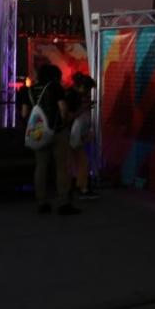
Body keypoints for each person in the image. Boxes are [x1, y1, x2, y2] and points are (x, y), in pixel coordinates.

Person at [20, 64, 81, 215]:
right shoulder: (54, 87)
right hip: (56, 131)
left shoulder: (30, 90)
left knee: (41, 166)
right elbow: (63, 109)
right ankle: (63, 202)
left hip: (39, 134)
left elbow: (24, 113)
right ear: (55, 75)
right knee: (62, 167)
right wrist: (64, 122)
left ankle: (42, 202)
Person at [65, 72, 98, 201]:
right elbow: (69, 116)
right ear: (82, 87)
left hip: (70, 134)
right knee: (82, 162)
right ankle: (82, 188)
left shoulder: (70, 94)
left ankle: (75, 187)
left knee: (74, 163)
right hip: (71, 135)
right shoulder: (72, 97)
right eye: (88, 89)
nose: (88, 93)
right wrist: (84, 108)